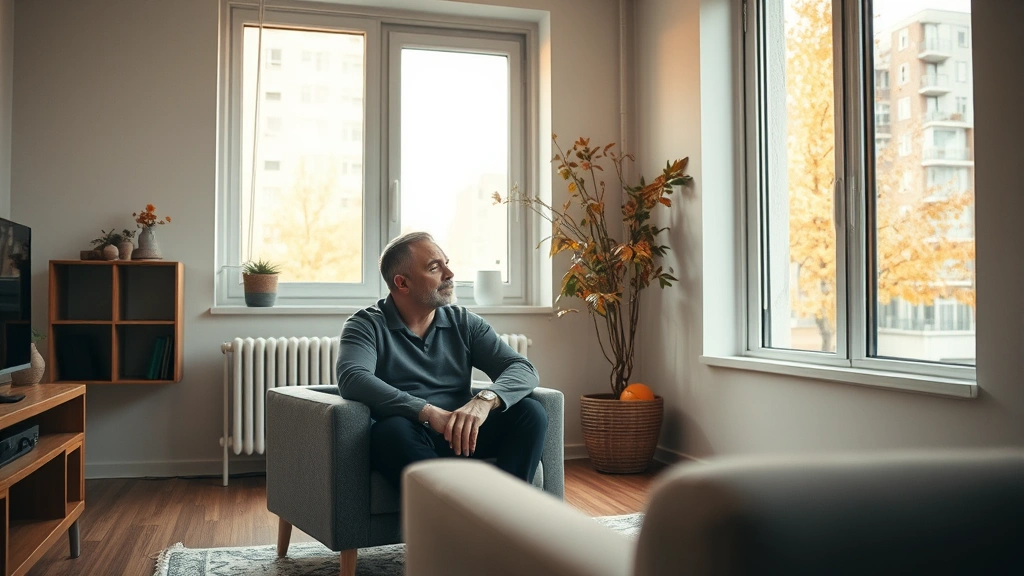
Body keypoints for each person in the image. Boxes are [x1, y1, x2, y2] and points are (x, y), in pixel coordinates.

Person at [337, 231, 547, 492]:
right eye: (434, 267)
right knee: (390, 432)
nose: (449, 274)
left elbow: (522, 368)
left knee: (530, 412)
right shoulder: (366, 325)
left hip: (463, 434)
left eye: (446, 263)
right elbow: (353, 378)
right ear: (402, 283)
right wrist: (427, 413)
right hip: (408, 438)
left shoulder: (464, 321)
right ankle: (452, 519)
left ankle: (508, 516)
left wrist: (483, 401)